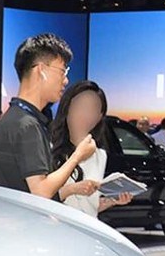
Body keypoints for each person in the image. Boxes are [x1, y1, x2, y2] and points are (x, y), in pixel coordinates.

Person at [0, 33, 97, 200]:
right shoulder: (27, 125)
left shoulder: (11, 118)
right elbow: (41, 192)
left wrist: (71, 189)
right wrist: (78, 156)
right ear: (41, 70)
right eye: (62, 71)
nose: (65, 80)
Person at [50, 81, 134, 217]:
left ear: (99, 116)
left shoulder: (99, 155)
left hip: (85, 227)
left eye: (93, 109)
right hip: (57, 225)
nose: (86, 115)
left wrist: (111, 201)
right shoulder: (48, 147)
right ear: (67, 108)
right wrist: (71, 189)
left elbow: (89, 208)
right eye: (81, 107)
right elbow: (40, 198)